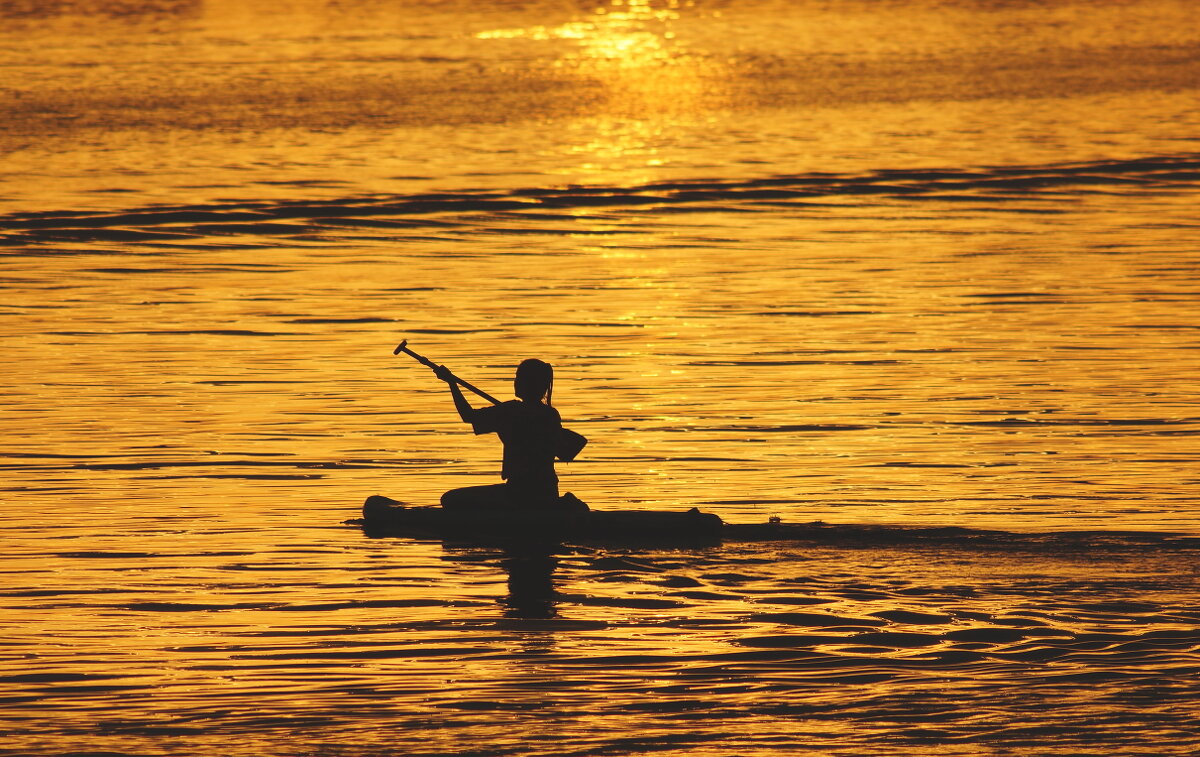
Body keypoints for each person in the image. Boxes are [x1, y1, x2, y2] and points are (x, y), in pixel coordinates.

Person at [434, 358, 577, 511]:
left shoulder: (511, 411)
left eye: (519, 378)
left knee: (449, 499)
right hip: (547, 492)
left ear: (529, 384)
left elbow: (468, 416)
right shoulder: (550, 414)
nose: (515, 382)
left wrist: (451, 382)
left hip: (518, 494)